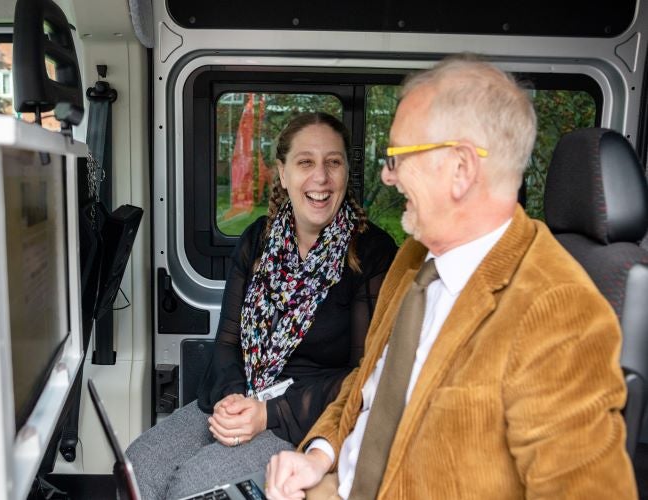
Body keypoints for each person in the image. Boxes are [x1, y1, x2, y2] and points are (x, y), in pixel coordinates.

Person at [265, 54, 638, 499]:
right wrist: (319, 456)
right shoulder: (414, 256)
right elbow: (367, 380)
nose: (388, 176)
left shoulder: (557, 311)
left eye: (398, 156)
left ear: (460, 169)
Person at [126, 112, 397, 499]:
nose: (320, 177)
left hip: (304, 415)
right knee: (139, 465)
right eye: (306, 162)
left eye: (333, 163)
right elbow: (226, 343)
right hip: (239, 396)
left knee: (196, 482)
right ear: (283, 174)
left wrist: (268, 413)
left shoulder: (371, 252)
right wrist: (235, 400)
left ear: (345, 174)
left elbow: (363, 374)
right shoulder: (258, 238)